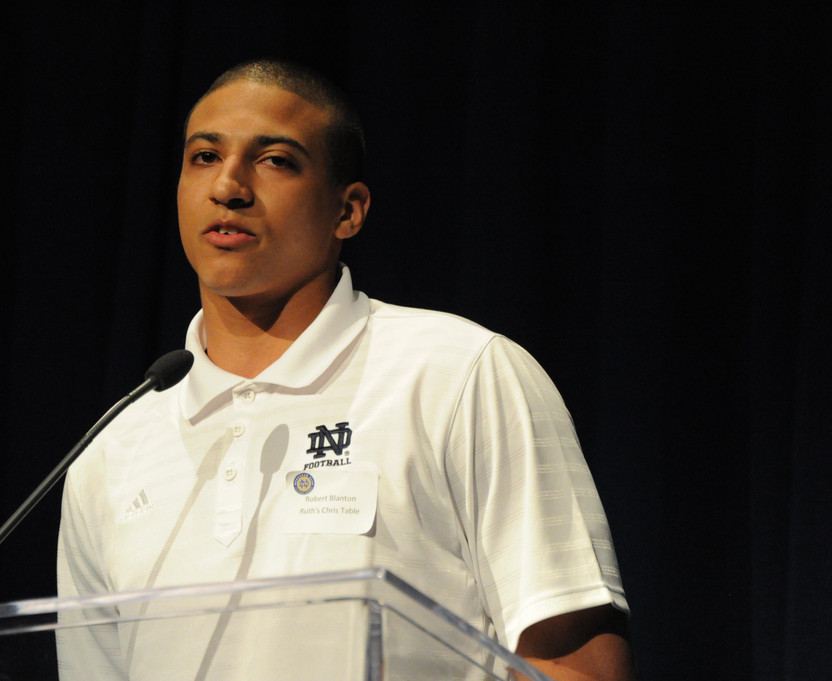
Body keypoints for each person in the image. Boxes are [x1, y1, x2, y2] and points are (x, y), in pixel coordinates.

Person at [56, 58, 636, 681]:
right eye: (204, 156)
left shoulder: (459, 374)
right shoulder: (112, 453)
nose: (228, 186)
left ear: (348, 210)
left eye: (275, 160)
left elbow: (579, 668)